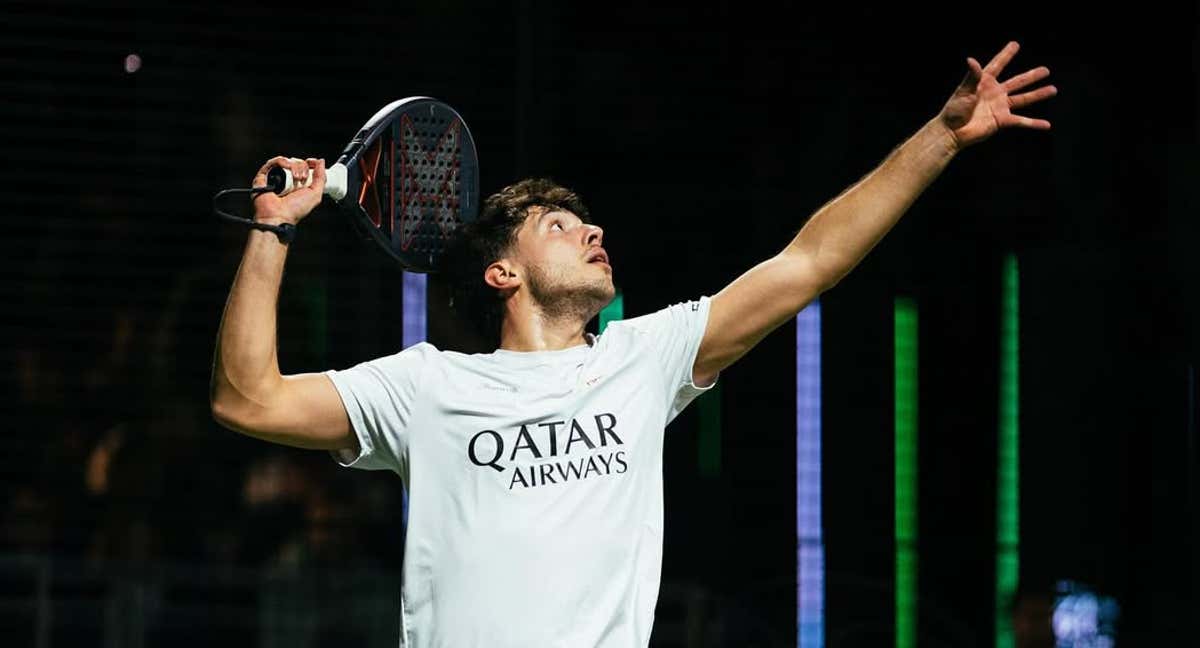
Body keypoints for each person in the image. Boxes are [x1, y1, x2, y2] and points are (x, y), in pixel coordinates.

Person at [210, 41, 1055, 647]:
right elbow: (247, 398)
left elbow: (811, 261)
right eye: (559, 224)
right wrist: (272, 230)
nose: (593, 232)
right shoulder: (425, 388)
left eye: (589, 221)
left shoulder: (642, 360)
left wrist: (940, 137)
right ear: (502, 275)